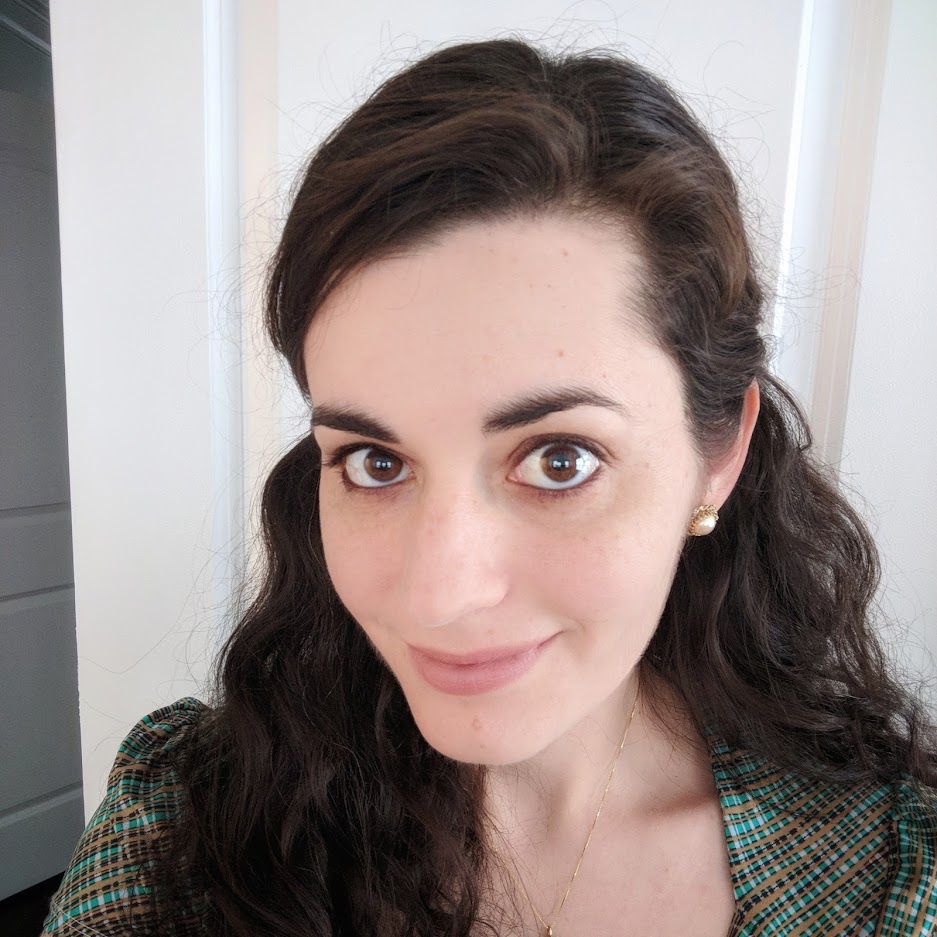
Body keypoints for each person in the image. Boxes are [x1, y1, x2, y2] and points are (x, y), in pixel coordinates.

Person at [43, 38, 937, 937]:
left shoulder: (894, 871)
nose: (438, 594)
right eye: (374, 461)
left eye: (559, 460)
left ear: (719, 452)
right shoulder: (179, 832)